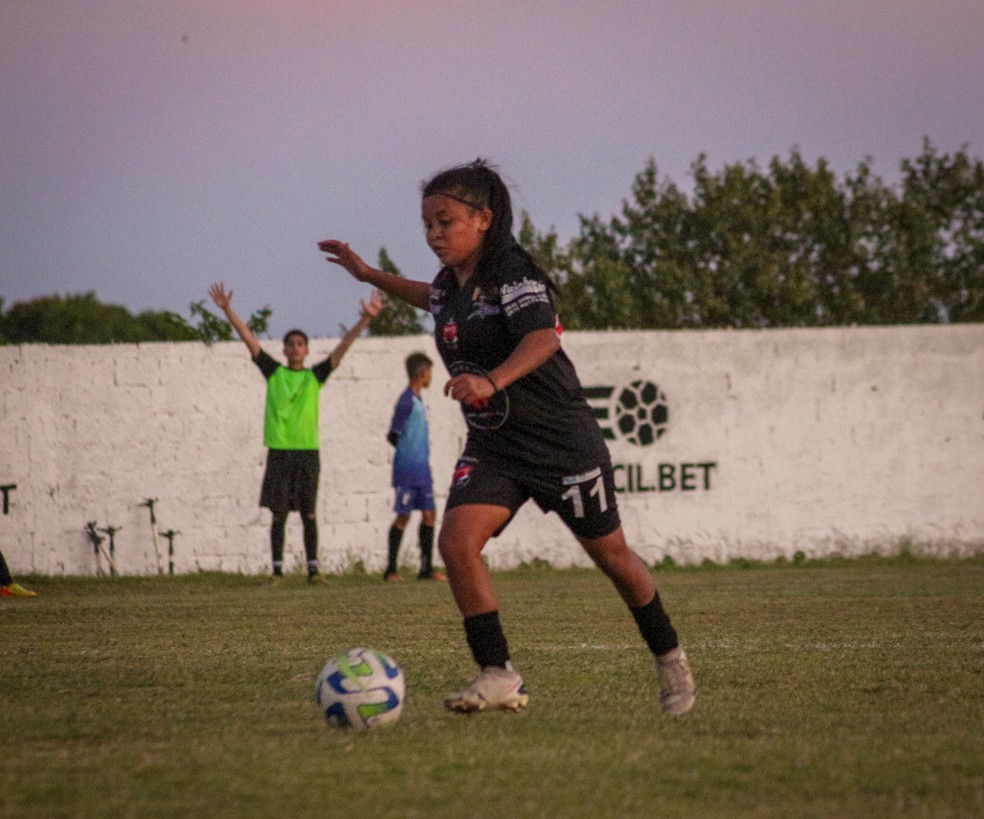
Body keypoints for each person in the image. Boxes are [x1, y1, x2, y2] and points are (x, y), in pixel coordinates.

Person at [318, 159, 696, 715]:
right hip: (496, 446)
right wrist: (370, 276)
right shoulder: (451, 284)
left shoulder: (514, 274)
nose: (434, 234)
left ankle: (669, 657)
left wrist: (489, 380)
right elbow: (434, 298)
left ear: (485, 218)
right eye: (427, 224)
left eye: (445, 221)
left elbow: (543, 338)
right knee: (456, 544)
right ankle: (497, 672)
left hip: (561, 441)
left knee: (612, 556)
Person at [208, 283, 383, 585]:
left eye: (300, 344)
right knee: (278, 515)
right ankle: (277, 571)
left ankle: (313, 570)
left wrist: (366, 319)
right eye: (290, 344)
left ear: (307, 349)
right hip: (279, 449)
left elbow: (342, 348)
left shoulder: (315, 376)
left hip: (307, 451)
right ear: (285, 349)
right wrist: (227, 311)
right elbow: (249, 339)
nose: (295, 348)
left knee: (309, 514)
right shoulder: (274, 372)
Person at [384, 352, 445, 582]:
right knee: (403, 516)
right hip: (408, 469)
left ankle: (426, 569)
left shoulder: (418, 400)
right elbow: (393, 433)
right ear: (422, 373)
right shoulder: (406, 401)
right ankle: (391, 570)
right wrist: (406, 452)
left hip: (422, 469)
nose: (431, 377)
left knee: (429, 514)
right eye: (429, 372)